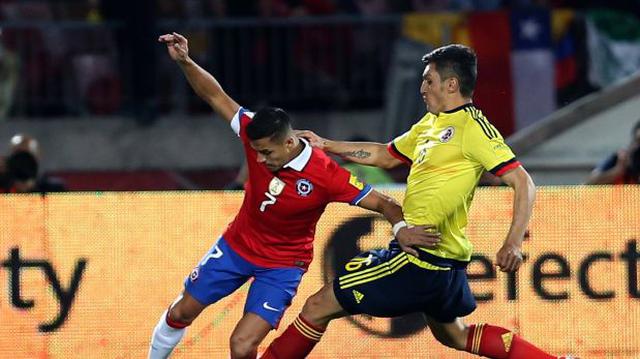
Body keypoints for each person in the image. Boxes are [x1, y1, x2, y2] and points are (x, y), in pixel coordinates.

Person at [261, 44, 569, 359]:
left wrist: (513, 242)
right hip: (438, 260)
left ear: (451, 85)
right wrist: (326, 144)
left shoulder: (474, 128)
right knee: (457, 335)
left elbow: (523, 182)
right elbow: (384, 155)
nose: (422, 88)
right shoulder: (430, 123)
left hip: (422, 258)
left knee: (318, 305)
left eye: (428, 81)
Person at [149, 32, 440, 359]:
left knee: (242, 345)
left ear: (288, 143)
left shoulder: (326, 174)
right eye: (256, 152)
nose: (259, 159)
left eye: (266, 152)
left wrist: (401, 230)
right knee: (181, 313)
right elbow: (215, 96)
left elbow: (386, 203)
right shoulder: (252, 131)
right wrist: (186, 62)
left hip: (283, 265)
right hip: (236, 246)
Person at [0, 134, 67, 193]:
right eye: (18, 155)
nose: (23, 162)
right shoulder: (3, 186)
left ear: (38, 156)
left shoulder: (54, 189)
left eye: (28, 156)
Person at [586, 120, 640, 184]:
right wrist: (618, 170)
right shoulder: (619, 159)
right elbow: (590, 183)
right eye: (638, 140)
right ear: (633, 142)